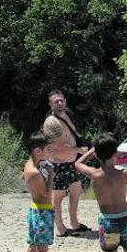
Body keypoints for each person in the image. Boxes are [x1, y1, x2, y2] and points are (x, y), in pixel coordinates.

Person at [42, 89, 91, 237]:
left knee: (76, 191)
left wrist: (75, 150)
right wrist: (79, 150)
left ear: (65, 101)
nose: (59, 103)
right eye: (55, 101)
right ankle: (61, 228)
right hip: (57, 164)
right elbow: (57, 148)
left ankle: (75, 224)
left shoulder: (68, 114)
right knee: (57, 197)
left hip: (70, 162)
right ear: (50, 104)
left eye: (61, 100)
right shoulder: (51, 123)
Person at [22, 130, 58, 252]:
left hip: (35, 210)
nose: (49, 153)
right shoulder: (34, 172)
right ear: (38, 151)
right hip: (42, 212)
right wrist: (51, 175)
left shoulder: (32, 165)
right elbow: (45, 193)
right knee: (42, 248)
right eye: (47, 150)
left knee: (33, 245)